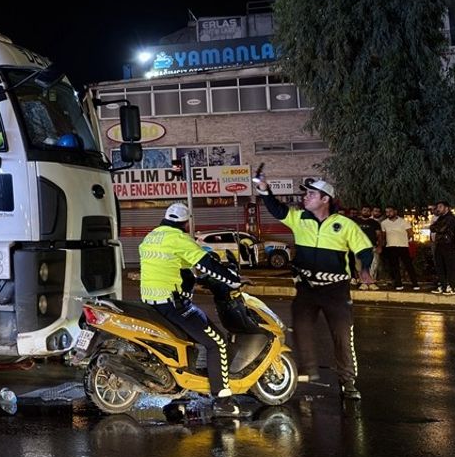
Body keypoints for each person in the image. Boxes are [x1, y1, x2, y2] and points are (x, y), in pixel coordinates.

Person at [257, 175, 371, 399]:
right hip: (306, 288)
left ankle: (348, 382)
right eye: (305, 193)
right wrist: (264, 190)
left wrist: (365, 268)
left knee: (342, 336)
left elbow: (364, 249)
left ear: (325, 198)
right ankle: (309, 369)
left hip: (336, 290)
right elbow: (278, 210)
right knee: (301, 327)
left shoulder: (345, 225)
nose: (305, 197)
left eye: (310, 194)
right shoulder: (299, 218)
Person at [138, 202, 244, 417]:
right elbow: (207, 264)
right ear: (186, 224)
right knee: (217, 343)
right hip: (173, 305)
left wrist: (197, 280)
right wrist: (234, 281)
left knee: (189, 342)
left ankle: (185, 388)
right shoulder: (178, 239)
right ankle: (223, 399)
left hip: (151, 302)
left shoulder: (151, 237)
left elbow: (180, 269)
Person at [380, 206, 419, 291]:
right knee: (395, 266)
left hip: (403, 246)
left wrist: (407, 240)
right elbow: (383, 235)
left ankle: (415, 283)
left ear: (395, 211)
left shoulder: (403, 222)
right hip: (391, 246)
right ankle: (398, 283)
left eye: (390, 211)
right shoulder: (384, 223)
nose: (388, 213)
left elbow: (410, 233)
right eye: (386, 212)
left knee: (408, 265)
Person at [430, 201, 455, 296]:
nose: (438, 209)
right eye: (437, 207)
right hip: (440, 244)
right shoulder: (441, 218)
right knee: (439, 265)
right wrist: (435, 227)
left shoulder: (450, 218)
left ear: (446, 208)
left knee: (449, 266)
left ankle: (452, 286)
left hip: (448, 244)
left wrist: (436, 227)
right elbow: (432, 227)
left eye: (440, 207)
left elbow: (440, 229)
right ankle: (443, 285)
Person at [353, 205, 383, 290]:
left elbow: (379, 235)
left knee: (373, 265)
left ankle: (371, 283)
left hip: (371, 247)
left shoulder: (374, 223)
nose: (366, 212)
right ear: (361, 211)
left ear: (370, 212)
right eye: (364, 210)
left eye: (368, 211)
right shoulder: (355, 222)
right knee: (359, 266)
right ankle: (364, 283)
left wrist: (380, 246)